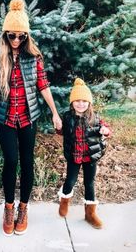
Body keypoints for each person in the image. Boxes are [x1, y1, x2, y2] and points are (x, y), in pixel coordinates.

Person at [0, 0, 62, 236]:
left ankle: (24, 208)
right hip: (4, 118)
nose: (16, 41)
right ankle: (9, 207)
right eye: (12, 36)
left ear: (26, 36)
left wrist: (55, 113)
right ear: (5, 35)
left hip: (28, 117)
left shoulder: (33, 57)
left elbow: (43, 86)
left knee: (27, 162)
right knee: (11, 161)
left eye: (21, 36)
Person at [56, 78, 111, 229]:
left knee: (89, 183)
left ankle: (90, 213)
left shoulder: (96, 117)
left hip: (90, 157)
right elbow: (61, 131)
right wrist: (58, 126)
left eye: (84, 101)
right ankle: (65, 200)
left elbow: (105, 127)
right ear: (72, 102)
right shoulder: (67, 117)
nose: (81, 104)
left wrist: (105, 131)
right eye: (77, 100)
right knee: (71, 181)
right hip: (74, 156)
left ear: (89, 102)